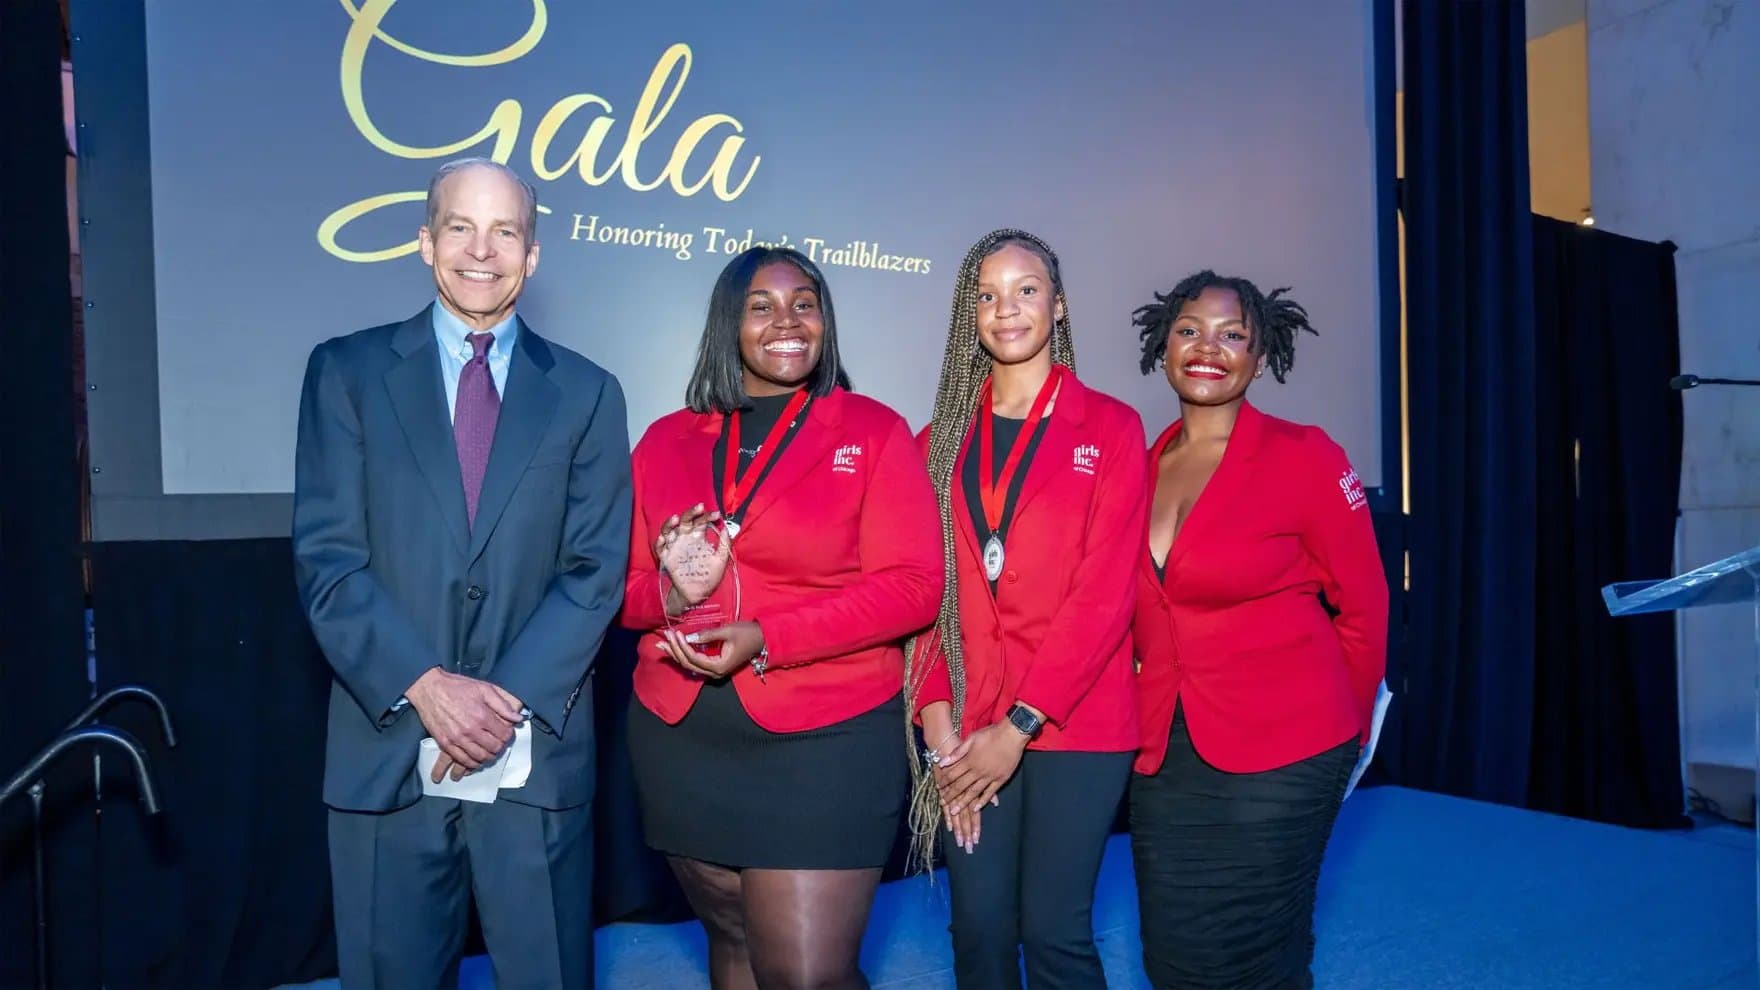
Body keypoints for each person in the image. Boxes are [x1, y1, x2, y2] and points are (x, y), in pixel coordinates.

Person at [293, 158, 631, 990]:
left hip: (534, 755)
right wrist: (429, 688)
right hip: (389, 746)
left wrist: (497, 702)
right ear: (424, 241)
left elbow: (595, 570)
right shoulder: (346, 374)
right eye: (460, 227)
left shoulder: (588, 393)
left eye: (506, 231)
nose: (482, 251)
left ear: (533, 254)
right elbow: (329, 561)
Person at [620, 247, 941, 990]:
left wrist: (769, 639)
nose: (786, 322)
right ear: (728, 323)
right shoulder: (666, 440)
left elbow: (914, 589)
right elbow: (621, 593)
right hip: (683, 738)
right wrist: (672, 591)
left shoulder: (872, 431)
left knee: (804, 975)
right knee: (733, 951)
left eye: (805, 303)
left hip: (825, 739)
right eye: (761, 306)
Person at [1129, 271, 1387, 989]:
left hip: (1289, 746)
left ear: (1261, 356)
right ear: (1164, 345)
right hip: (1167, 751)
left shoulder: (1306, 454)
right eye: (1189, 331)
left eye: (1231, 334)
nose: (1207, 348)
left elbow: (1364, 608)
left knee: (1250, 952)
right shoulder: (1142, 463)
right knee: (1172, 954)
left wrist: (1351, 732)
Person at [908, 230, 1146, 988]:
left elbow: (1105, 596)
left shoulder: (1110, 430)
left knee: (1054, 934)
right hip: (967, 728)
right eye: (987, 294)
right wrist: (940, 726)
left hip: (1078, 724)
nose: (1005, 308)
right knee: (977, 931)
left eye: (1026, 289)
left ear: (1060, 306)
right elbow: (924, 596)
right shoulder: (936, 441)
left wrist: (1021, 725)